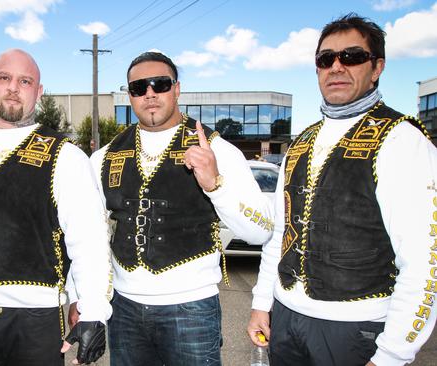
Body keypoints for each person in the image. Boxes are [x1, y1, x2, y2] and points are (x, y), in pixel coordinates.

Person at [248, 14, 437, 366]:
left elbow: (426, 260)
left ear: (376, 67)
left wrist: (392, 354)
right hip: (287, 320)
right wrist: (262, 302)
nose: (336, 67)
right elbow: (280, 234)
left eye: (351, 57)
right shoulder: (301, 142)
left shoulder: (401, 139)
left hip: (356, 330)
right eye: (326, 59)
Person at [81, 51, 273, 365]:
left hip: (191, 311)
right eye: (138, 88)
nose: (150, 93)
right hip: (124, 310)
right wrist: (86, 300)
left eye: (160, 84)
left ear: (177, 89)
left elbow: (261, 230)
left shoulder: (218, 149)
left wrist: (216, 185)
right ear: (130, 96)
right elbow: (88, 236)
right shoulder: (104, 157)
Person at [0, 48, 111, 366]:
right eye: (5, 78)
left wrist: (93, 311)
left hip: (32, 326)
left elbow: (89, 243)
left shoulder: (66, 157)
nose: (14, 87)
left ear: (38, 92)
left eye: (25, 81)